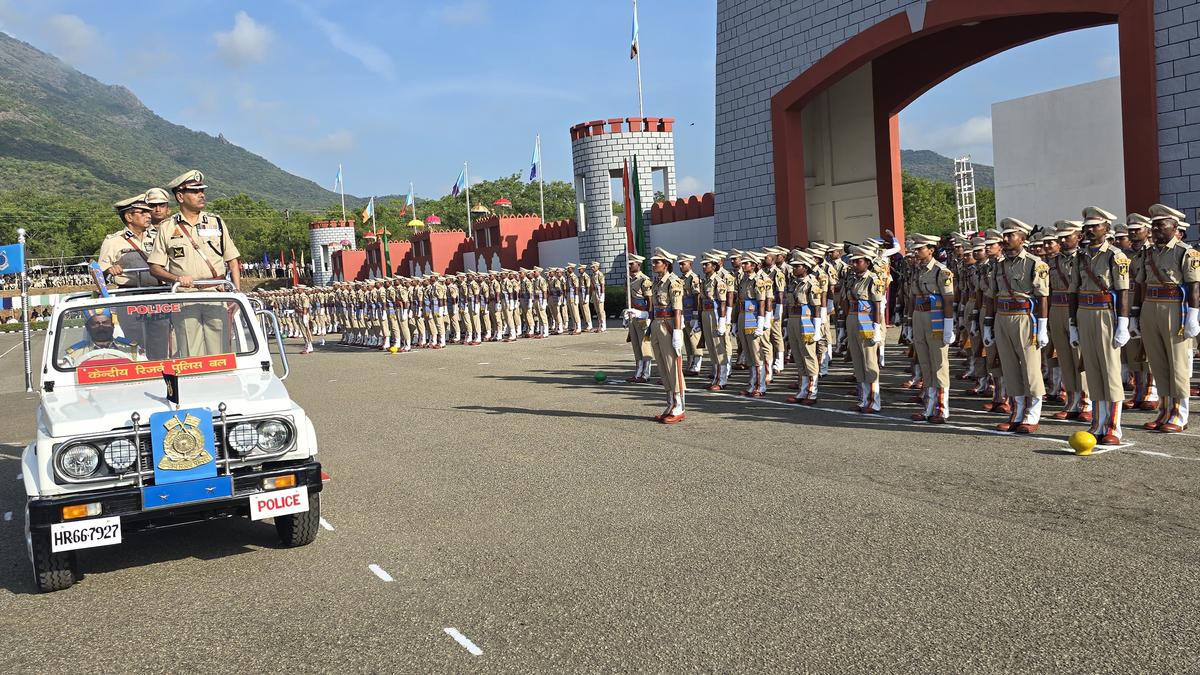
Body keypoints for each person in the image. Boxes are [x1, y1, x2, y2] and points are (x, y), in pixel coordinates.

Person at [147, 170, 241, 356]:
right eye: (195, 191)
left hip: (216, 294)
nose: (201, 195)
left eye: (202, 190)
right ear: (180, 196)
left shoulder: (216, 222)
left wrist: (237, 294)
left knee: (220, 352)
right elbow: (155, 267)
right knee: (191, 353)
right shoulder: (168, 227)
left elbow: (232, 260)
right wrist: (177, 278)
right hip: (185, 296)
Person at [1135, 204, 1200, 432]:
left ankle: (1179, 415)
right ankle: (1163, 411)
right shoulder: (1149, 253)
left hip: (1175, 308)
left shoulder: (1186, 252)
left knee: (1177, 363)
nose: (1155, 229)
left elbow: (1194, 286)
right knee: (1158, 363)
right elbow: (1140, 283)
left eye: (1160, 225)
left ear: (1174, 227)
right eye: (1153, 225)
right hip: (1151, 306)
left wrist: (1193, 315)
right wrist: (1137, 314)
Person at [1070, 206, 1131, 445]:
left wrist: (1123, 323)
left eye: (1095, 225)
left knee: (1110, 371)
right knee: (1093, 370)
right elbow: (1073, 290)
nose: (1090, 230)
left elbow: (1123, 291)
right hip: (1085, 313)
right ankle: (1097, 422)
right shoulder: (1080, 256)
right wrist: (1072, 322)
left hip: (1106, 315)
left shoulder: (1116, 256)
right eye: (1087, 226)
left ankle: (1114, 426)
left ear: (1106, 228)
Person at [908, 233, 956, 423]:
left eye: (920, 249)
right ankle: (928, 406)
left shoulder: (941, 271)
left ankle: (941, 409)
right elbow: (913, 297)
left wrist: (948, 326)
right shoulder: (917, 270)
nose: (917, 252)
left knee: (939, 364)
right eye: (916, 249)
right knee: (925, 363)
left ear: (931, 250)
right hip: (920, 316)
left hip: (936, 318)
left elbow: (949, 299)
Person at [842, 245, 884, 413]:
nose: (854, 264)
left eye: (858, 261)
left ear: (867, 262)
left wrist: (876, 328)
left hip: (866, 321)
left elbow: (877, 305)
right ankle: (863, 399)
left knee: (869, 362)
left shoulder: (873, 279)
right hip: (852, 318)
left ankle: (875, 401)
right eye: (852, 261)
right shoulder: (852, 279)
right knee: (858, 362)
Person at [647, 248, 686, 423]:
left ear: (667, 264)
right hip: (657, 324)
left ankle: (679, 406)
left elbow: (677, 309)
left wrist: (677, 333)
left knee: (672, 366)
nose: (654, 264)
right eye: (654, 261)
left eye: (657, 262)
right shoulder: (656, 282)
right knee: (662, 365)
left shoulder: (673, 282)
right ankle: (670, 403)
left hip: (669, 324)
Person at [783, 250, 824, 405]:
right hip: (793, 320)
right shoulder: (793, 283)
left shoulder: (812, 284)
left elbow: (817, 307)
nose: (794, 269)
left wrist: (817, 328)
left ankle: (812, 392)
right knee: (798, 356)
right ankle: (802, 390)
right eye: (793, 266)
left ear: (806, 267)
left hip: (806, 321)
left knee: (809, 356)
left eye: (797, 266)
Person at [60, 309, 145, 367]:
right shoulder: (75, 353)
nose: (101, 327)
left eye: (105, 323)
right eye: (96, 323)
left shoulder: (131, 349)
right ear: (88, 327)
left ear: (112, 326)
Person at [623, 254, 654, 382]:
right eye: (629, 264)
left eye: (632, 263)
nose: (629, 266)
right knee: (635, 345)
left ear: (639, 264)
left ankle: (646, 373)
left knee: (644, 345)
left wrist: (648, 316)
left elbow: (649, 300)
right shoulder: (629, 279)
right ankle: (638, 371)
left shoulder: (644, 280)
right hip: (632, 316)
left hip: (642, 315)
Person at [590, 262, 606, 332]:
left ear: (597, 267)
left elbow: (602, 285)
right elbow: (592, 286)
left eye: (593, 267)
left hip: (599, 293)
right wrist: (592, 296)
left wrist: (602, 294)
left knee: (601, 310)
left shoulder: (600, 274)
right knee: (597, 310)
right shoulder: (593, 275)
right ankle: (600, 325)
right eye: (592, 267)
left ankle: (603, 325)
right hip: (595, 293)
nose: (592, 268)